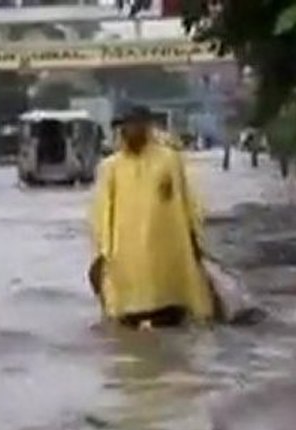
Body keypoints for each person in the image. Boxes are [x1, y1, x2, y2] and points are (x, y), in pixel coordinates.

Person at [89, 105, 214, 328]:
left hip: (167, 256)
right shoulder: (111, 167)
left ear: (148, 127)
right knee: (127, 326)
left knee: (170, 317)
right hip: (126, 259)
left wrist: (195, 238)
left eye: (138, 125)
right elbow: (102, 212)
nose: (132, 131)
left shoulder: (169, 161)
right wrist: (101, 254)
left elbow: (188, 202)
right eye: (127, 126)